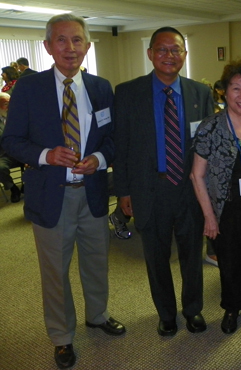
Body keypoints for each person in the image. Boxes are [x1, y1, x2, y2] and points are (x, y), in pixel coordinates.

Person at [1, 14, 125, 369]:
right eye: (61, 40)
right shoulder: (28, 88)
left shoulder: (101, 87)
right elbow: (11, 141)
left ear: (87, 45)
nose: (70, 48)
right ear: (47, 46)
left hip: (93, 192)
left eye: (77, 40)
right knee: (55, 271)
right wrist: (46, 155)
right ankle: (61, 336)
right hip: (50, 193)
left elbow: (114, 140)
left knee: (96, 262)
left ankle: (97, 315)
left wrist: (100, 159)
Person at [113, 26, 214, 337]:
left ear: (185, 55)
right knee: (156, 257)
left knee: (191, 255)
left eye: (176, 50)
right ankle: (166, 314)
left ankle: (193, 310)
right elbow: (122, 145)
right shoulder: (128, 92)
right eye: (162, 49)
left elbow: (209, 145)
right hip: (149, 189)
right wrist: (123, 192)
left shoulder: (201, 93)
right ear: (150, 54)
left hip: (190, 189)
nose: (169, 55)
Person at [191, 58, 241, 334]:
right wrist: (209, 217)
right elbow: (197, 174)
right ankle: (231, 308)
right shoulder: (210, 127)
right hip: (224, 210)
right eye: (236, 88)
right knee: (228, 263)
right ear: (224, 91)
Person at [0, 92, 22, 202]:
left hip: (21, 151)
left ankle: (26, 186)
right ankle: (13, 188)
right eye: (5, 104)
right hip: (4, 154)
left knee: (36, 161)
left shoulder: (17, 116)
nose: (9, 107)